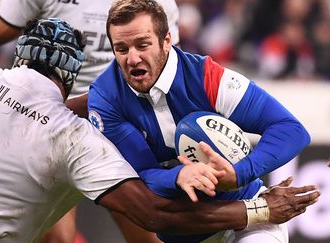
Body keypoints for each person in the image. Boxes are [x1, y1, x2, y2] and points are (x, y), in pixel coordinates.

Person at [0, 17, 320, 243]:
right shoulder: (73, 138)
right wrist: (263, 209)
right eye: (122, 49)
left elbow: (27, 107)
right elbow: (153, 213)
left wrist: (113, 97)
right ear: (70, 76)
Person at [87, 0, 313, 242]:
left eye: (143, 45)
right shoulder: (106, 98)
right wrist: (178, 177)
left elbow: (291, 129)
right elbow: (140, 177)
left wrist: (239, 174)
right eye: (121, 49)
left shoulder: (207, 77)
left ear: (167, 41)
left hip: (250, 219)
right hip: (186, 233)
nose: (132, 59)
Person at [0, 0, 179, 242]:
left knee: (150, 230)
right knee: (55, 239)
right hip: (48, 124)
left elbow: (166, 67)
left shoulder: (158, 4)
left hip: (118, 123)